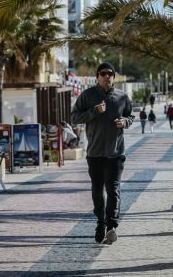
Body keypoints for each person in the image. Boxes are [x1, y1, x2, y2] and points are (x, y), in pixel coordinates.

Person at [71, 62, 133, 245]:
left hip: (116, 153)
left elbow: (131, 116)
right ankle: (100, 222)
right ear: (97, 76)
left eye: (110, 74)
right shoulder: (88, 95)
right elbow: (74, 117)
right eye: (103, 73)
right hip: (95, 154)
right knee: (98, 192)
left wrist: (125, 122)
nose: (107, 76)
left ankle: (111, 226)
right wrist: (94, 111)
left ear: (113, 77)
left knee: (113, 190)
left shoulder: (122, 97)